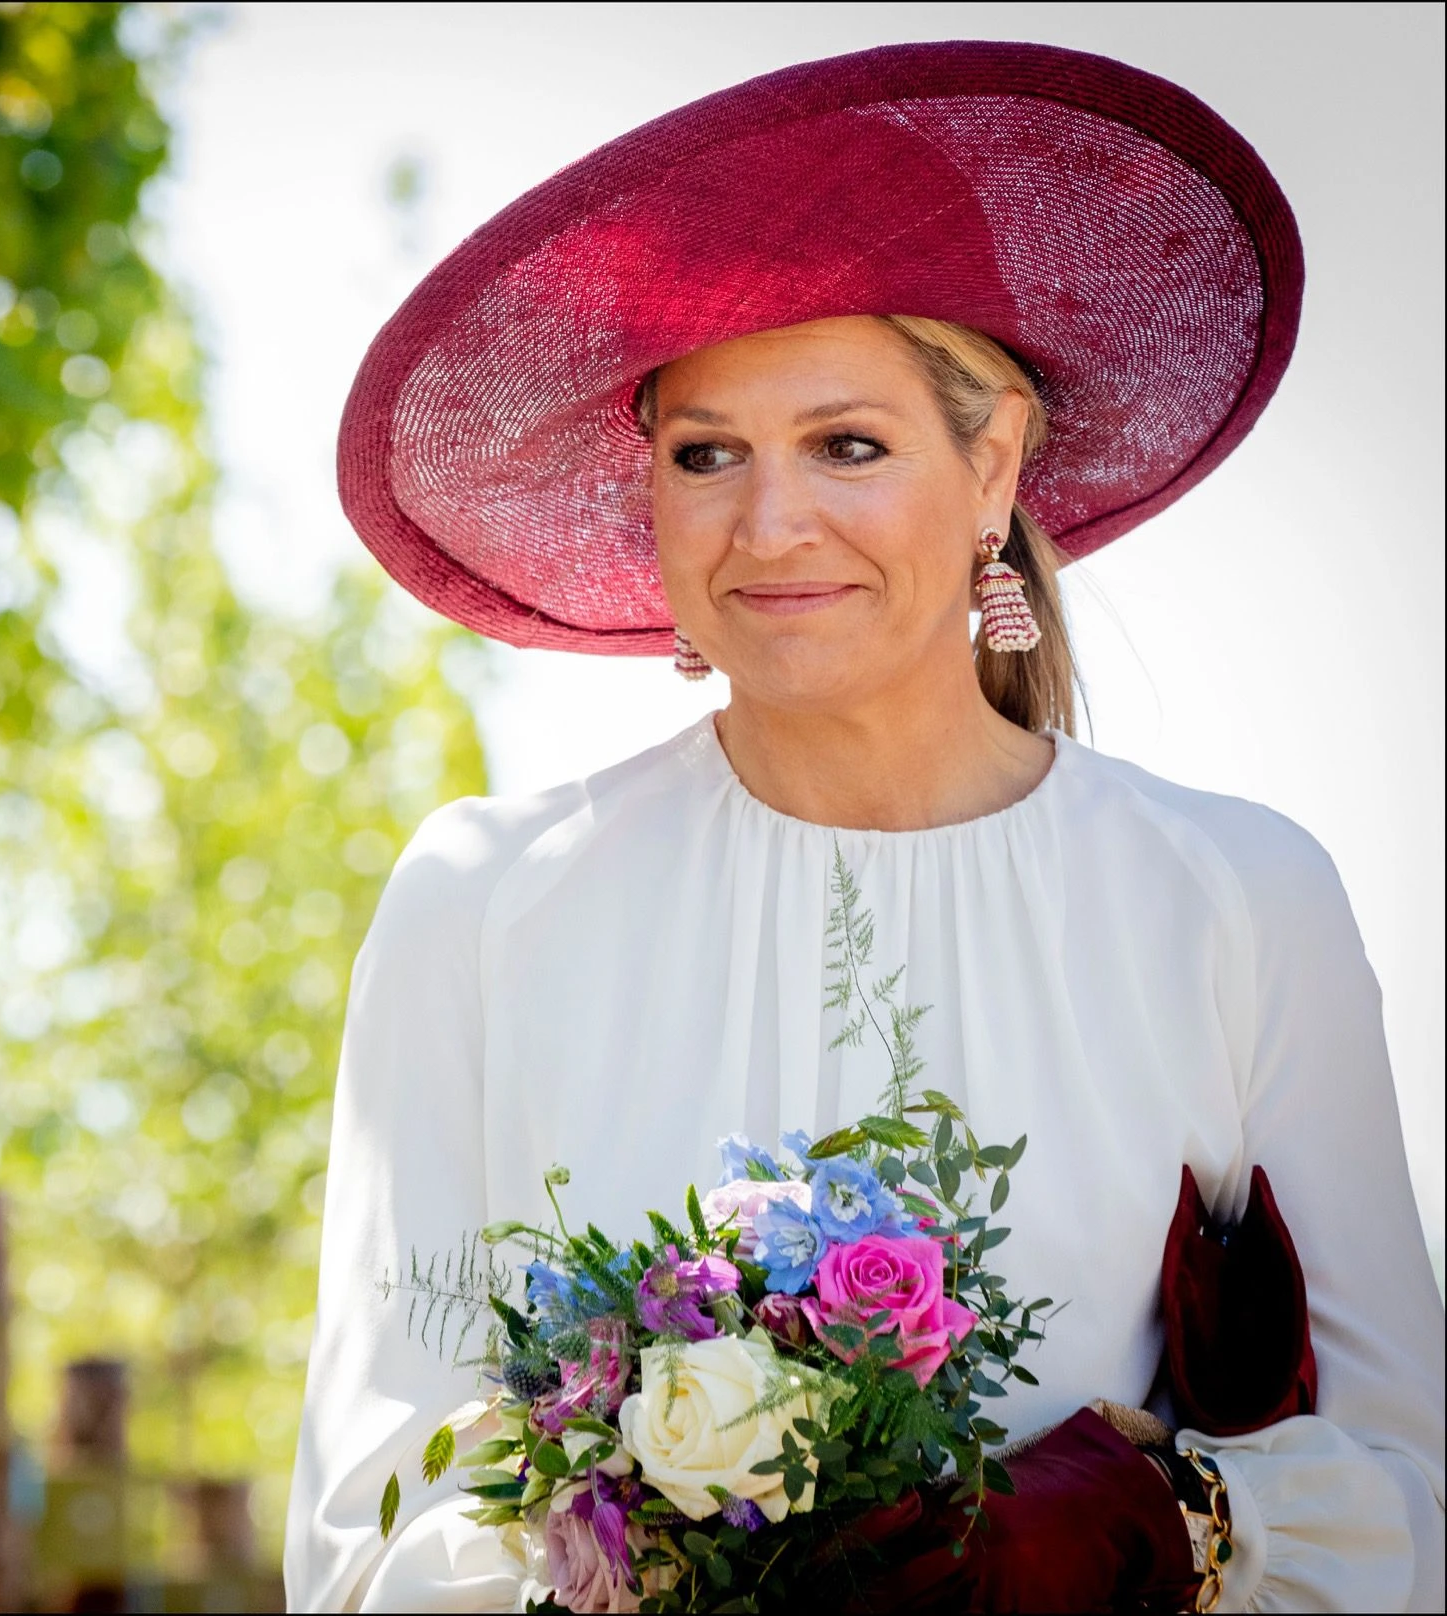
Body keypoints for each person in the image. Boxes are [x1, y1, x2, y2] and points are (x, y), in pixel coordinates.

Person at [285, 40, 1445, 1613]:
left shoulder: (1238, 898)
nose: (770, 527)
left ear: (993, 463)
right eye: (706, 455)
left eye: (848, 444)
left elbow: (1410, 1493)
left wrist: (1159, 1527)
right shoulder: (486, 907)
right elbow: (372, 1525)